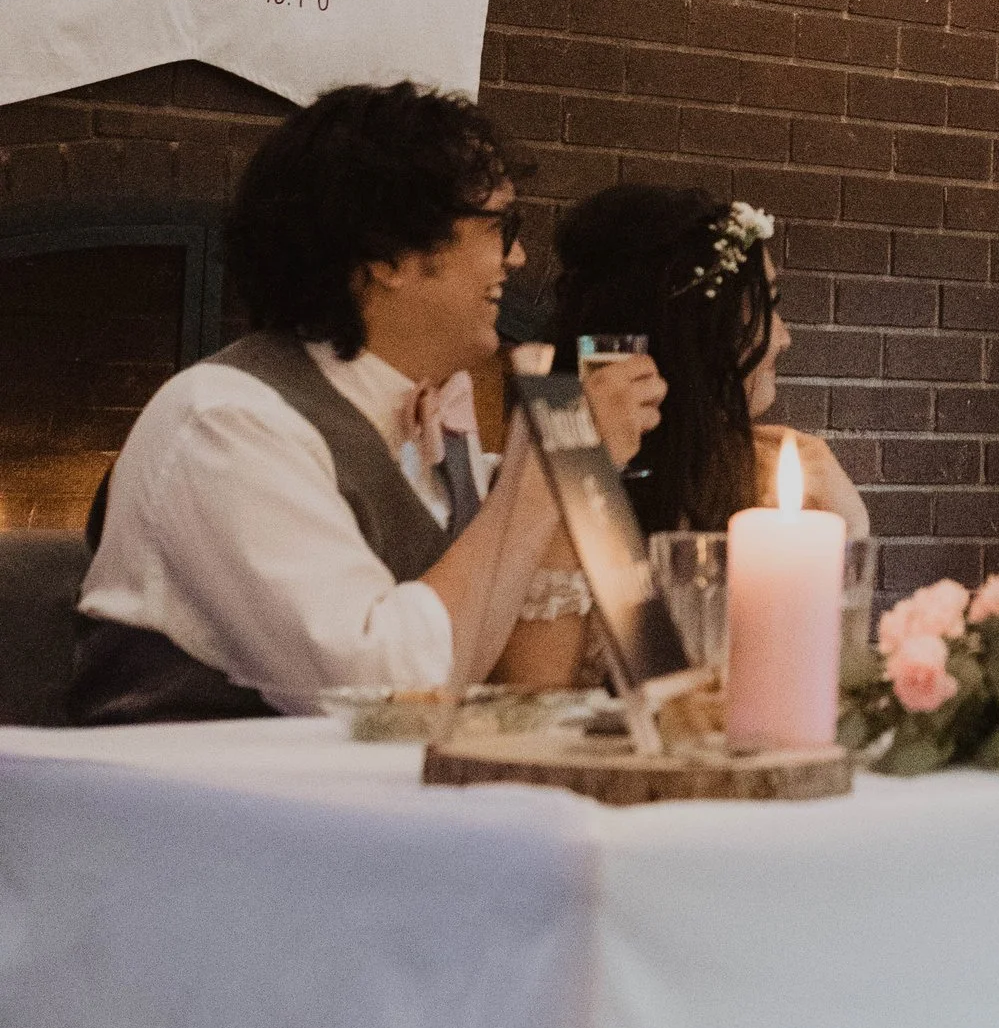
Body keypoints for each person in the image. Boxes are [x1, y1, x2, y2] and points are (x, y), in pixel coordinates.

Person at [70, 83, 663, 721]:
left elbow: (525, 678)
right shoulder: (226, 422)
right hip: (194, 812)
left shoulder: (438, 426)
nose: (516, 257)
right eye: (501, 227)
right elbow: (383, 695)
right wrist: (543, 465)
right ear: (389, 253)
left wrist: (583, 468)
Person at [540, 182, 867, 538]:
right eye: (766, 307)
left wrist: (849, 525)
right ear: (701, 329)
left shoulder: (751, 481)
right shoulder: (553, 486)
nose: (785, 338)